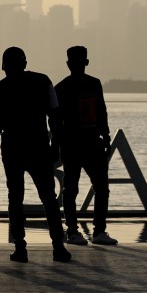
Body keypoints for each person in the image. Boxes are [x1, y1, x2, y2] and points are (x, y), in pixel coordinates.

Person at [0, 47, 71, 263]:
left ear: (3, 66)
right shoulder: (43, 81)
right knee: (49, 198)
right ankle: (58, 247)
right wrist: (56, 145)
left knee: (15, 197)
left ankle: (20, 247)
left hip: (12, 148)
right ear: (25, 63)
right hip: (39, 147)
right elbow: (55, 115)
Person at [53, 46, 116, 246]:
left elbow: (55, 121)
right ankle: (92, 231)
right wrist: (105, 138)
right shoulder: (89, 84)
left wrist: (57, 145)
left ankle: (76, 231)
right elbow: (102, 112)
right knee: (95, 188)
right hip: (83, 143)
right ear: (85, 62)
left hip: (77, 144)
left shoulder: (61, 87)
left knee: (75, 189)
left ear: (68, 64)